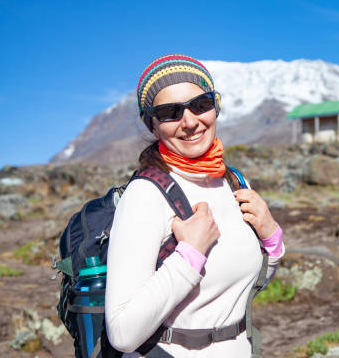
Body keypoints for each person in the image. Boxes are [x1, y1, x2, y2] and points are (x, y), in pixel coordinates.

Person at [105, 54, 285, 357]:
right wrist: (189, 256)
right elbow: (122, 334)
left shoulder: (234, 183)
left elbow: (238, 288)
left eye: (201, 104)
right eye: (170, 112)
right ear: (152, 125)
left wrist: (271, 239)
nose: (190, 122)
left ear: (215, 107)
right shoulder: (145, 195)